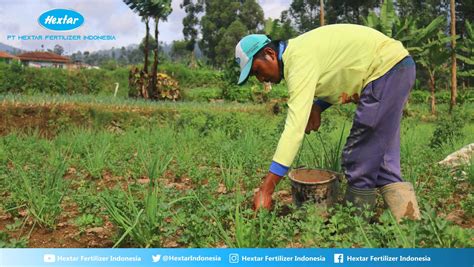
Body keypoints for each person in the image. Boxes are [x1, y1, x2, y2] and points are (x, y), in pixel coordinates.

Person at [234, 24, 421, 221]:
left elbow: (293, 131)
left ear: (270, 53)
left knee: (359, 156)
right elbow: (339, 73)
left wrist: (266, 189)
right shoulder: (300, 53)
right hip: (397, 68)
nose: (260, 78)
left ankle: (355, 229)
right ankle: (409, 224)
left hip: (386, 70)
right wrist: (318, 106)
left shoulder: (298, 60)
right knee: (382, 159)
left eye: (256, 70)